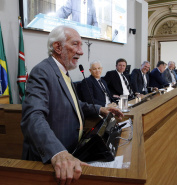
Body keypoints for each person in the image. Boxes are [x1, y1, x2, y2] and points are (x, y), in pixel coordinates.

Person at [20, 25, 123, 184]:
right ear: (57, 47)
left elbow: (75, 105)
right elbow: (32, 117)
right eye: (75, 44)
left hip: (73, 153)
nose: (81, 51)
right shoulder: (42, 71)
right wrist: (57, 153)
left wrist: (100, 109)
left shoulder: (64, 72)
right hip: (50, 162)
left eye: (81, 45)